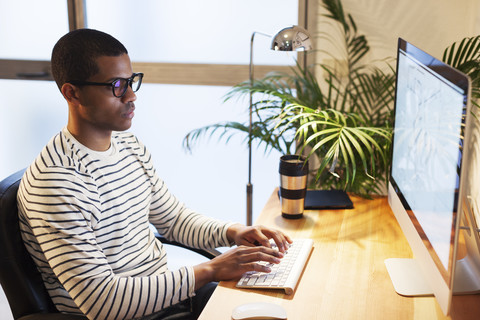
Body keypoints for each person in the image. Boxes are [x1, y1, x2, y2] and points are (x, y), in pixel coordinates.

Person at [16, 28, 292, 320]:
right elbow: (102, 303)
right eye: (117, 86)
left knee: (279, 305)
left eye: (132, 81)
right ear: (72, 93)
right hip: (131, 315)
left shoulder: (127, 145)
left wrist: (233, 232)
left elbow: (172, 220)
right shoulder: (56, 183)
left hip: (169, 300)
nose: (132, 96)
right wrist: (211, 269)